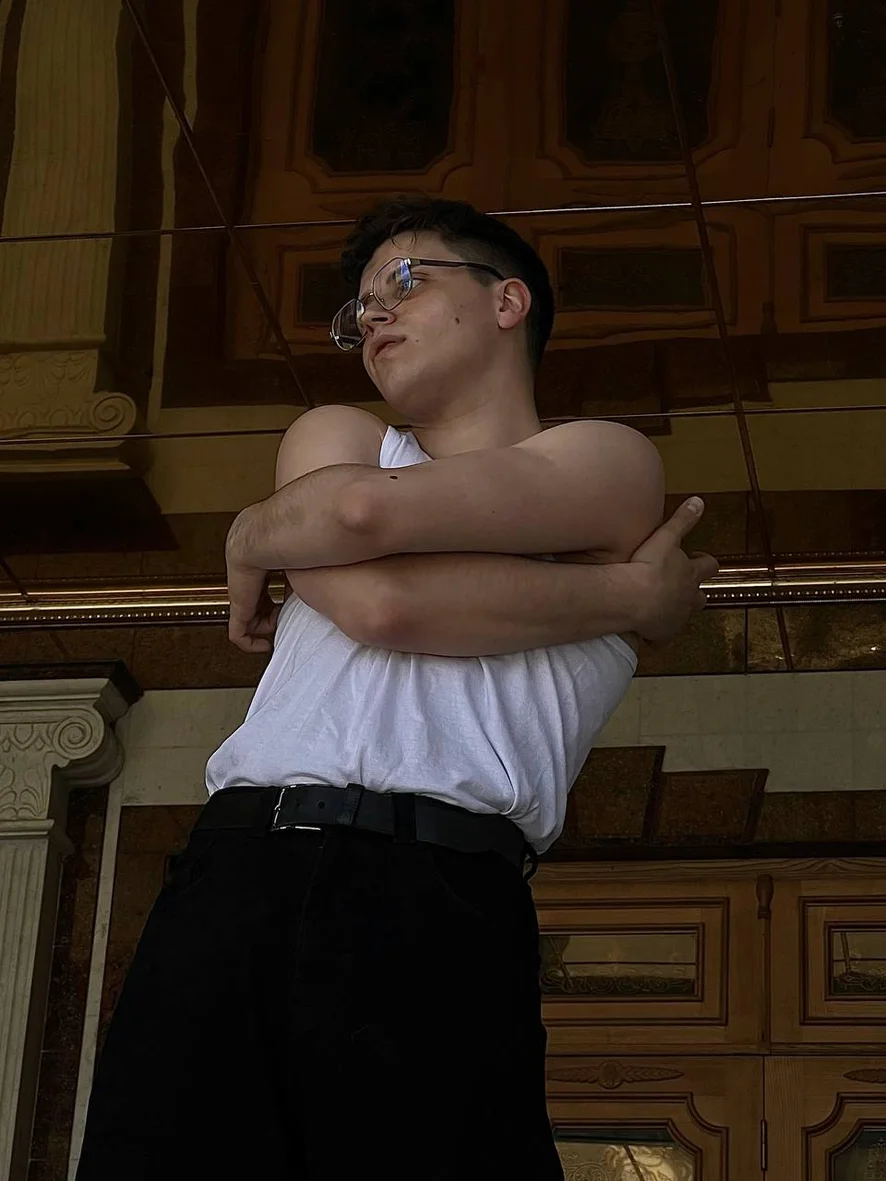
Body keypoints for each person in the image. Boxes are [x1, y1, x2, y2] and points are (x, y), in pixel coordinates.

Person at [76, 196, 719, 1181]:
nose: (372, 313)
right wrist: (630, 594)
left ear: (507, 301)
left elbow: (367, 553)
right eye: (359, 306)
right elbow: (372, 575)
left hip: (442, 893)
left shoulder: (606, 459)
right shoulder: (338, 431)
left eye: (406, 282)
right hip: (239, 868)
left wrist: (264, 532)